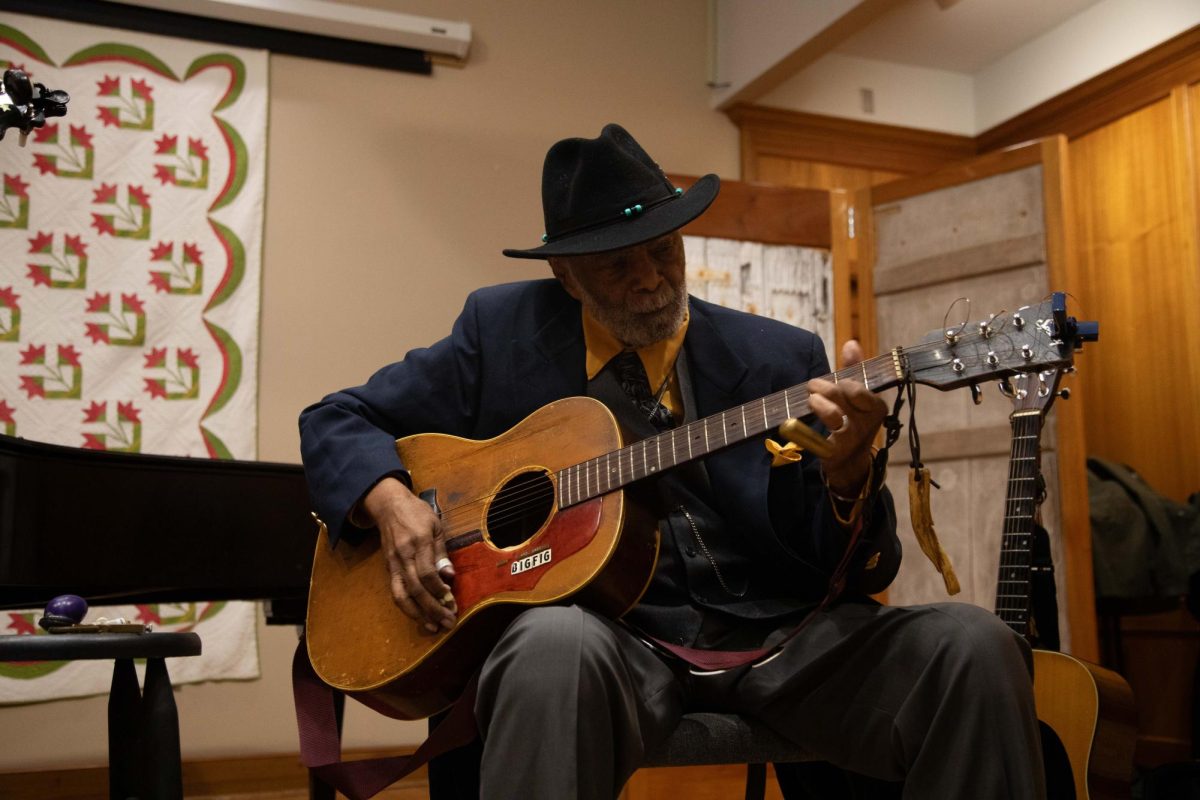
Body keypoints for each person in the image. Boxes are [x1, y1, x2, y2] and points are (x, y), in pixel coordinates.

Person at [298, 123, 1046, 799]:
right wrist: (391, 501)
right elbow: (336, 419)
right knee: (548, 648)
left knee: (973, 647)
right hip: (609, 645)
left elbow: (851, 568)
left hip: (782, 639)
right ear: (568, 279)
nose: (652, 279)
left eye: (664, 251)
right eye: (620, 267)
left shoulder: (779, 357)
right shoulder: (500, 334)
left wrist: (849, 479)